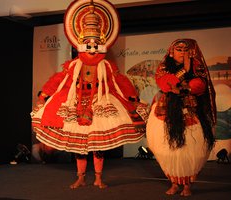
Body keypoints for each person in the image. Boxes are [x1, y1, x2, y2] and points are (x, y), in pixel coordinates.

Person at [31, 0, 147, 189]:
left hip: (100, 104)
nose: (92, 48)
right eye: (88, 44)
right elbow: (58, 81)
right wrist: (44, 95)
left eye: (96, 44)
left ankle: (99, 178)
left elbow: (120, 82)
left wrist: (132, 97)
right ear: (80, 44)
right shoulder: (72, 66)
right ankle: (81, 177)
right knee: (79, 147)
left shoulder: (107, 66)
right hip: (76, 105)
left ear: (102, 44)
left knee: (98, 146)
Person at [146, 39, 217, 196]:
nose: (182, 52)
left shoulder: (197, 65)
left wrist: (184, 89)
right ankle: (174, 183)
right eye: (179, 49)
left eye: (186, 50)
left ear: (191, 52)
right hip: (168, 111)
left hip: (191, 109)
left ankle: (187, 186)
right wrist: (184, 70)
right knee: (169, 148)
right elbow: (165, 84)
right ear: (172, 51)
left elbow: (200, 85)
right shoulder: (164, 66)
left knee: (191, 148)